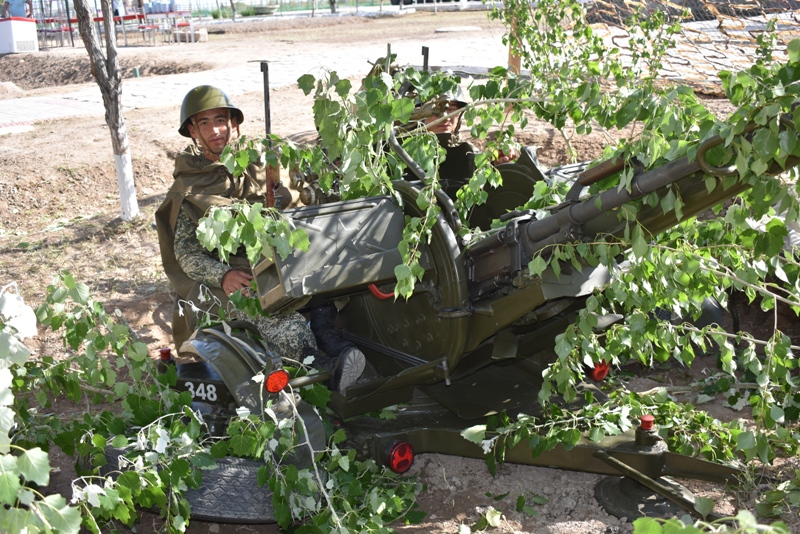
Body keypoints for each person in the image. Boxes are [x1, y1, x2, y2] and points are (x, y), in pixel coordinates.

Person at [155, 85, 365, 394]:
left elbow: (301, 208)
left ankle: (332, 343)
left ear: (234, 124)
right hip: (231, 281)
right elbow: (186, 255)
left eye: (221, 120)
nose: (215, 130)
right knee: (287, 326)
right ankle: (319, 366)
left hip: (275, 264)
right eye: (204, 123)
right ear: (192, 130)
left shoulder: (260, 163)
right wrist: (222, 275)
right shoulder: (188, 188)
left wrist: (277, 196)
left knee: (328, 290)